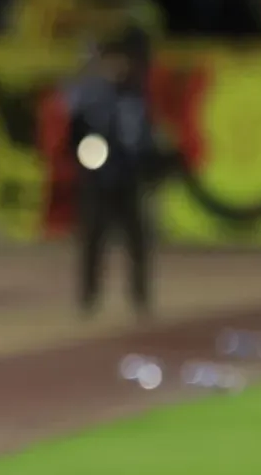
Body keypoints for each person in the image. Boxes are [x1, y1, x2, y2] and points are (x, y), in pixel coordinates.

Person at [66, 27, 165, 320]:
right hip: (99, 180)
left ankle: (140, 297)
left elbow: (145, 136)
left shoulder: (137, 96)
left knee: (138, 240)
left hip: (129, 180)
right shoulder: (93, 98)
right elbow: (76, 134)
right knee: (94, 239)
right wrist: (86, 159)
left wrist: (149, 163)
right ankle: (88, 297)